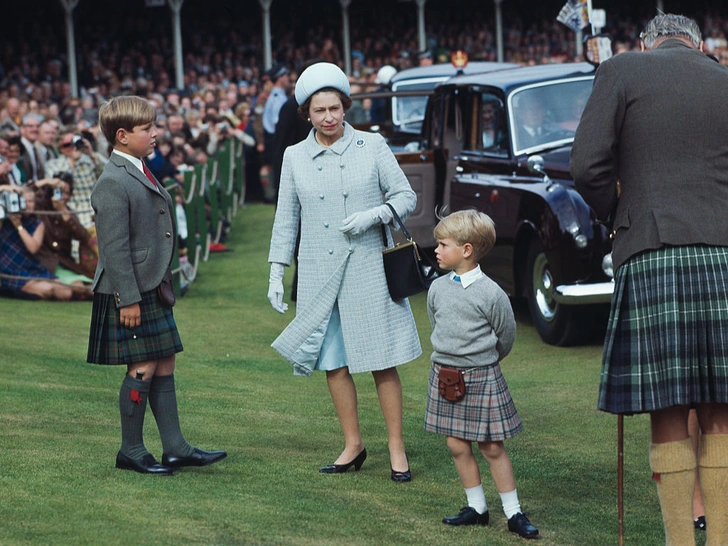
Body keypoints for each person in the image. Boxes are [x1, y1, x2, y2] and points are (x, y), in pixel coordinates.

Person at [571, 14, 728, 546]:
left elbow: (587, 166)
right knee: (721, 407)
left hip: (653, 249)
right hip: (726, 253)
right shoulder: (724, 76)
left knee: (667, 403)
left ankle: (681, 543)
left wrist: (623, 212)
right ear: (699, 43)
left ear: (645, 42)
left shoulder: (621, 69)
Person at [267, 62, 420, 482]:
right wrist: (276, 271)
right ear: (306, 114)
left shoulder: (372, 145)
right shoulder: (294, 155)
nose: (329, 117)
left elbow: (407, 196)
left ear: (346, 106)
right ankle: (353, 444)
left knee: (380, 360)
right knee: (334, 362)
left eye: (335, 108)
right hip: (319, 271)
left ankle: (396, 447)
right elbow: (286, 218)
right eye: (320, 111)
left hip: (368, 267)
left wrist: (375, 215)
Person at [87, 95, 226, 475]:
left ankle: (176, 447)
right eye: (147, 128)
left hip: (150, 284)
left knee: (164, 362)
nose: (155, 133)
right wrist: (127, 300)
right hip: (130, 290)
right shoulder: (113, 180)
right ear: (121, 135)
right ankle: (130, 450)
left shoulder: (139, 168)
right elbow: (113, 249)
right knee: (143, 366)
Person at [425, 209, 539, 539]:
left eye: (442, 244)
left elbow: (505, 336)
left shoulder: (492, 293)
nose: (436, 249)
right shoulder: (436, 289)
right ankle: (477, 508)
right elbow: (438, 327)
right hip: (444, 375)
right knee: (457, 445)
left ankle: (514, 513)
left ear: (467, 249)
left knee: (491, 447)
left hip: (482, 376)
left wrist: (483, 362)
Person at [0, 185, 73, 300]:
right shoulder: (4, 221)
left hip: (31, 267)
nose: (28, 205)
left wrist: (19, 226)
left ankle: (30, 291)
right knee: (47, 289)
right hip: (11, 269)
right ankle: (14, 291)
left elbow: (33, 248)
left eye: (31, 201)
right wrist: (6, 188)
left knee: (65, 292)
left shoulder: (37, 223)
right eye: (25, 201)